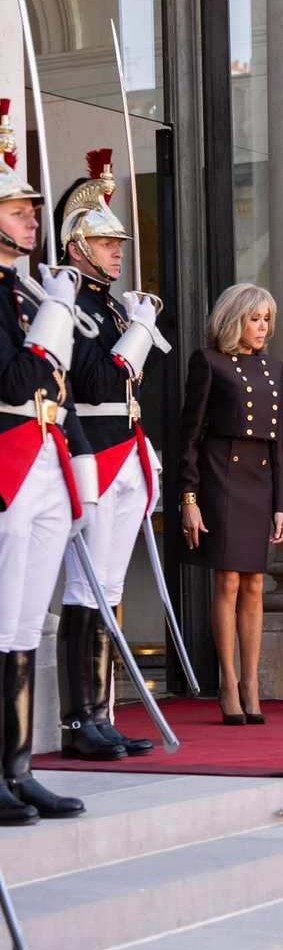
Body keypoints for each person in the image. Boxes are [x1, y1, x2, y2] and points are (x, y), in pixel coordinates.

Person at [55, 151, 169, 760]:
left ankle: (101, 713)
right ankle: (78, 721)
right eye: (104, 242)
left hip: (125, 451)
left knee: (112, 585)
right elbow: (97, 382)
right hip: (92, 454)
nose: (117, 251)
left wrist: (136, 323)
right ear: (77, 246)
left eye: (118, 241)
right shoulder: (69, 306)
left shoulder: (115, 305)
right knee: (85, 588)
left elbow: (130, 388)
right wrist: (139, 333)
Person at [0, 99, 90, 821]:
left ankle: (18, 766)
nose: (34, 220)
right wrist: (53, 319)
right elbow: (16, 380)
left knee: (29, 621)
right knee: (3, 619)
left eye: (33, 210)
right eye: (20, 209)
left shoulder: (24, 289)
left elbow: (57, 386)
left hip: (40, 458)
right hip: (5, 462)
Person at [178, 284, 283, 724]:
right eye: (254, 319)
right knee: (227, 582)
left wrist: (280, 504)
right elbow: (189, 437)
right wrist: (189, 499)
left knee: (256, 585)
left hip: (259, 482)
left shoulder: (274, 368)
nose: (262, 328)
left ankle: (251, 681)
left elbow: (277, 443)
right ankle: (226, 680)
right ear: (233, 320)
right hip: (220, 479)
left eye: (266, 320)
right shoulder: (208, 363)